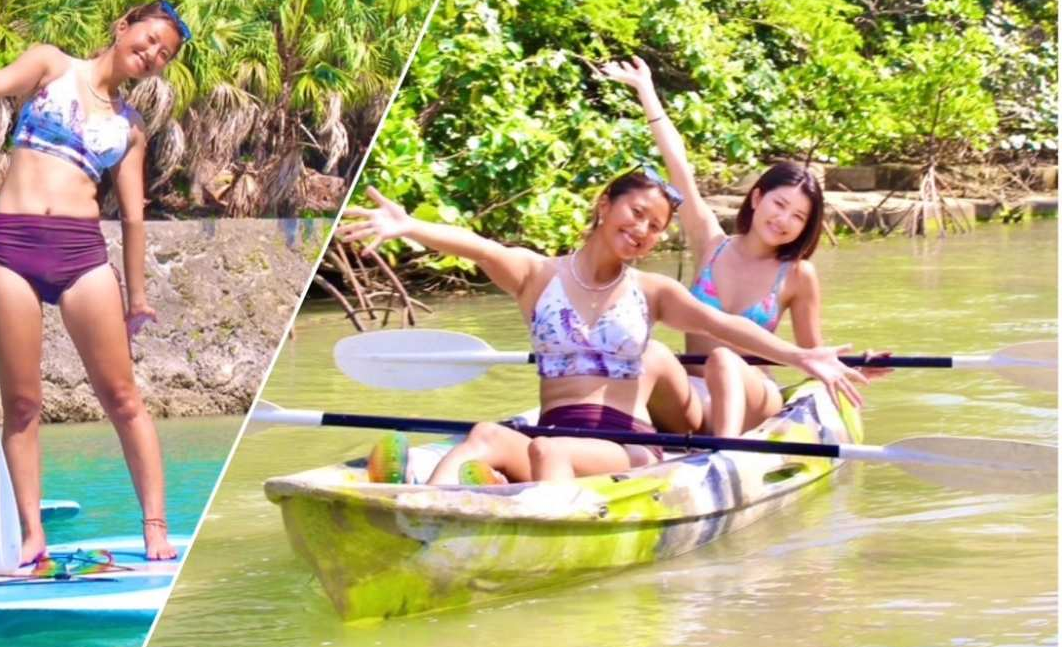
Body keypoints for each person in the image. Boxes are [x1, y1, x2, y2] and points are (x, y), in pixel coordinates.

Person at [0, 0, 190, 563]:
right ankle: (32, 533)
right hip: (12, 250)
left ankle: (154, 525)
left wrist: (140, 295)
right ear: (122, 26)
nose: (151, 55)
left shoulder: (130, 128)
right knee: (23, 403)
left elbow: (132, 215)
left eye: (164, 55)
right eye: (148, 39)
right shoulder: (52, 66)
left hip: (82, 255)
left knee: (123, 398)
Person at [337, 175, 866, 484]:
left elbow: (723, 325)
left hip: (628, 447)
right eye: (635, 214)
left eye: (655, 227)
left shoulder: (653, 292)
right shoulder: (536, 276)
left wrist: (804, 358)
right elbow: (476, 245)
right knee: (486, 436)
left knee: (549, 453)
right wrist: (408, 226)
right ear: (604, 206)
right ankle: (427, 510)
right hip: (555, 434)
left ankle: (528, 529)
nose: (641, 230)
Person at [601, 56, 834, 437]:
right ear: (757, 199)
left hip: (752, 394)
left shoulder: (797, 275)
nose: (784, 220)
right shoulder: (711, 243)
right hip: (694, 393)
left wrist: (845, 370)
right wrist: (646, 91)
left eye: (798, 216)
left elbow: (812, 350)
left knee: (725, 360)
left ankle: (724, 455)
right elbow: (679, 168)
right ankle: (620, 441)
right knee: (647, 354)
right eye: (779, 205)